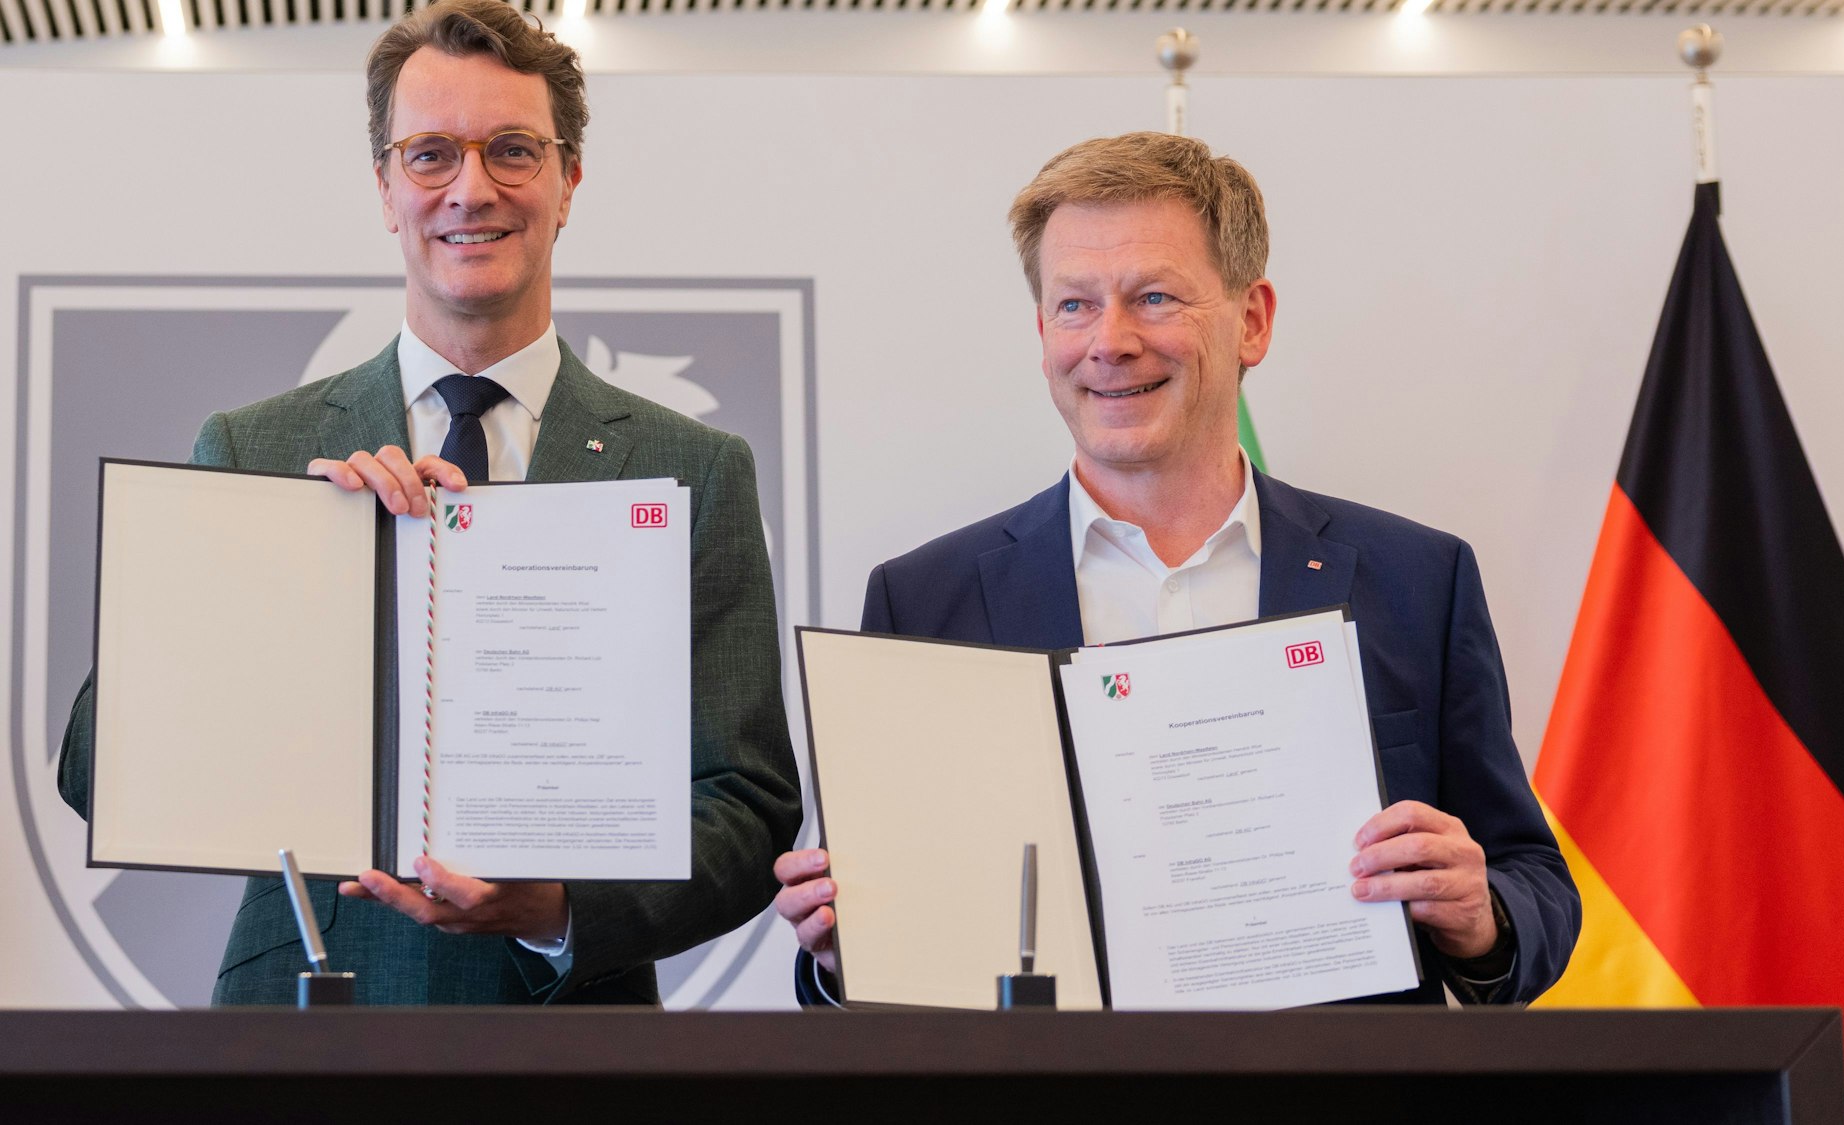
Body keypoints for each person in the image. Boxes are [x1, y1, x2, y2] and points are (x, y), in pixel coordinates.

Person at [56, 0, 800, 1005]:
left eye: (513, 150)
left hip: (579, 1035)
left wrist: (558, 906)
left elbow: (749, 807)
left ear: (569, 182)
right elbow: (100, 769)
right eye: (431, 154)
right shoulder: (255, 450)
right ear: (384, 186)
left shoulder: (691, 468)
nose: (471, 189)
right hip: (307, 1023)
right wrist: (283, 571)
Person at [776, 132, 1577, 1007]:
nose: (1109, 341)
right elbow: (878, 961)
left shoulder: (1418, 580)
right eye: (1074, 305)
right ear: (1042, 331)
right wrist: (847, 951)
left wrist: (1481, 914)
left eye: (1153, 297)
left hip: (1336, 1079)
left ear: (1252, 320)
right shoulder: (925, 601)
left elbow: (1533, 880)